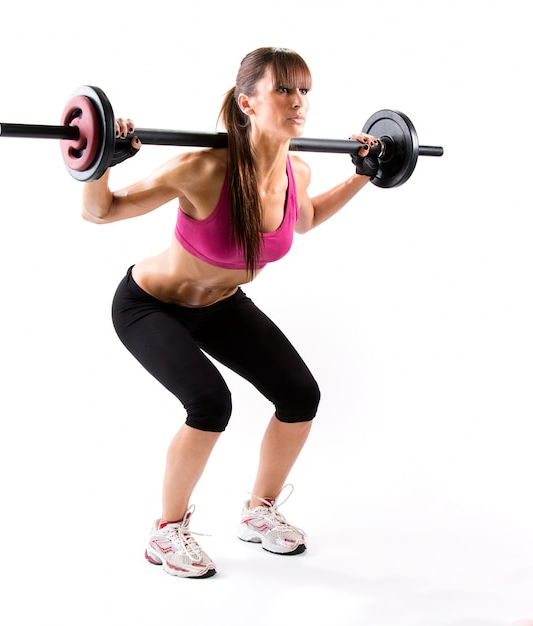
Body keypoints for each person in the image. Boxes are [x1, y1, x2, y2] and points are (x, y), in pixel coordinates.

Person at [81, 47, 379, 579]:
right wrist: (100, 162)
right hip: (151, 306)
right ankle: (166, 532)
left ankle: (258, 512)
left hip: (221, 305)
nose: (298, 102)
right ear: (247, 101)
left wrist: (363, 174)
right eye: (283, 89)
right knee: (209, 403)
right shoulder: (202, 169)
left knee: (299, 396)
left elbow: (305, 219)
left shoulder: (298, 171)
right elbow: (100, 212)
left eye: (304, 90)